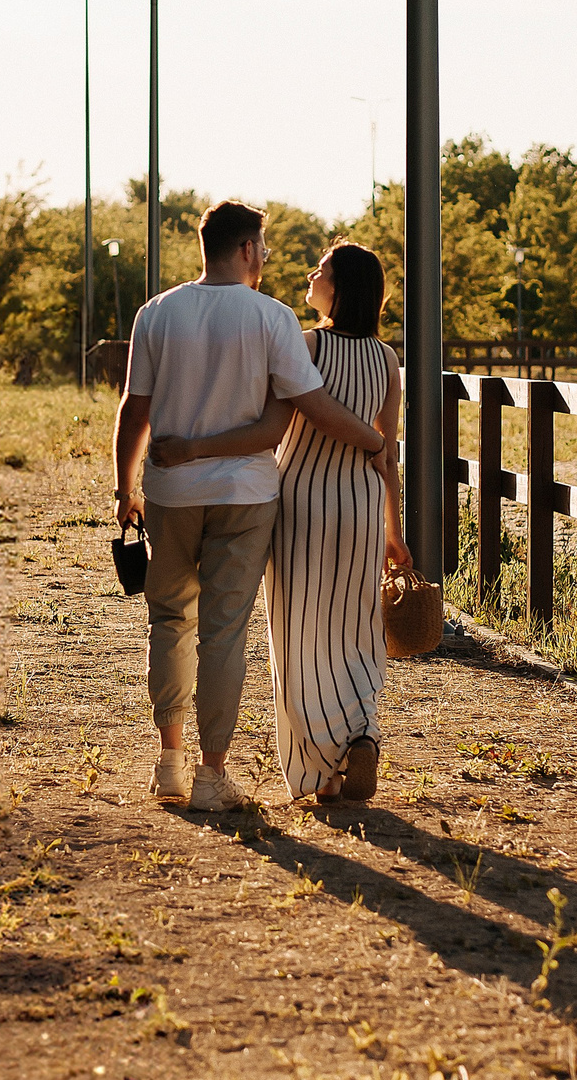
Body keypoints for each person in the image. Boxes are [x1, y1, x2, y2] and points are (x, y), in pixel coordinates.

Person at [113, 203, 386, 812]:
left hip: (170, 494)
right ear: (245, 249)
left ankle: (168, 761)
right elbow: (290, 415)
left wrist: (124, 487)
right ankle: (213, 776)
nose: (265, 259)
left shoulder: (156, 313)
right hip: (245, 495)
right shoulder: (273, 318)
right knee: (225, 632)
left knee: (168, 621)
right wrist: (373, 441)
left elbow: (135, 410)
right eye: (262, 247)